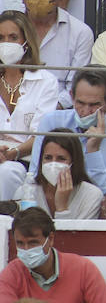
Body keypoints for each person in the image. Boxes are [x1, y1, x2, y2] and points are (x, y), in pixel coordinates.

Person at [0, 209, 106, 303]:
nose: (26, 249)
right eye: (20, 243)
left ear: (50, 239)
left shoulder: (83, 269)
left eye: (33, 243)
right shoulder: (12, 273)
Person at [32, 67, 106, 197]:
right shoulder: (51, 122)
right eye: (80, 103)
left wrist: (93, 152)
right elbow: (34, 176)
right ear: (72, 96)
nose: (85, 111)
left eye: (94, 105)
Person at [0, 10, 60, 191]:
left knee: (6, 173)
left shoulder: (46, 81)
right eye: (1, 38)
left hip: (23, 160)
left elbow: (40, 134)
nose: (6, 44)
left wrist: (14, 153)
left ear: (26, 41)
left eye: (13, 37)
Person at [16, 0, 90, 89]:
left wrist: (49, 108)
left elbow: (74, 89)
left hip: (57, 107)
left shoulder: (80, 33)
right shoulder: (6, 29)